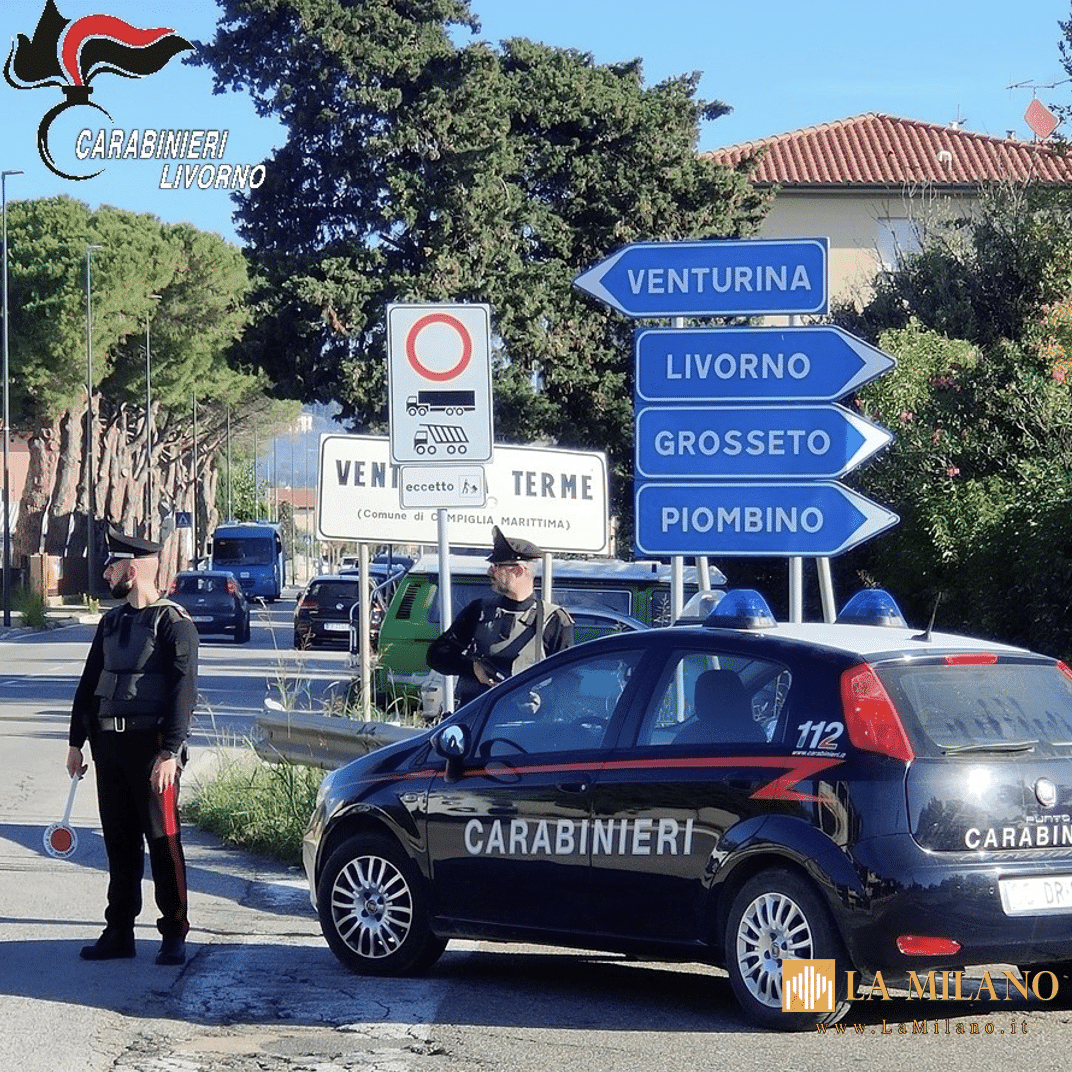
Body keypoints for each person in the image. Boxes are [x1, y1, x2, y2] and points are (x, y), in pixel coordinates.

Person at [67, 525, 199, 965]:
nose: (106, 574)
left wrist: (170, 751)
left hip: (152, 748)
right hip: (109, 746)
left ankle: (174, 932)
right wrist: (76, 742)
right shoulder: (111, 621)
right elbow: (89, 683)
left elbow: (183, 692)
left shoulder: (174, 623)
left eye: (112, 566)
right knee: (119, 843)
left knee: (163, 841)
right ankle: (119, 931)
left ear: (133, 568)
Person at [426, 526, 573, 707]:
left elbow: (567, 680)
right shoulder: (478, 611)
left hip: (527, 719)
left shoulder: (555, 620)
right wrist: (472, 668)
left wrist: (540, 700)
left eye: (497, 566)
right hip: (479, 715)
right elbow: (436, 655)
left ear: (518, 571)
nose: (490, 572)